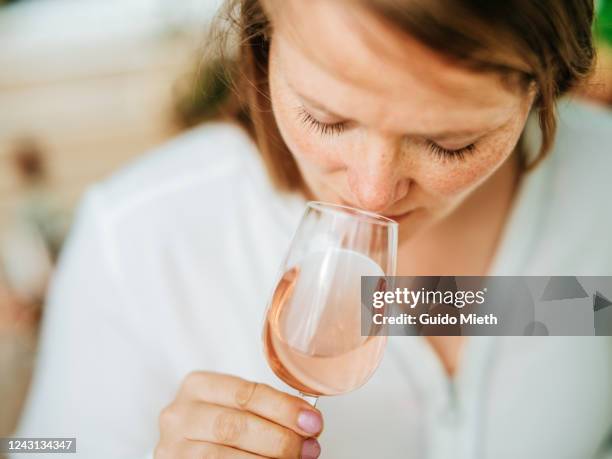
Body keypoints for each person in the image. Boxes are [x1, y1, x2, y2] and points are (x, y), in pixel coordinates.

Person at [13, 0, 612, 458]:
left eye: (450, 144)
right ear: (263, 43)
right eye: (324, 119)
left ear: (546, 85)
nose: (372, 191)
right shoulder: (136, 236)